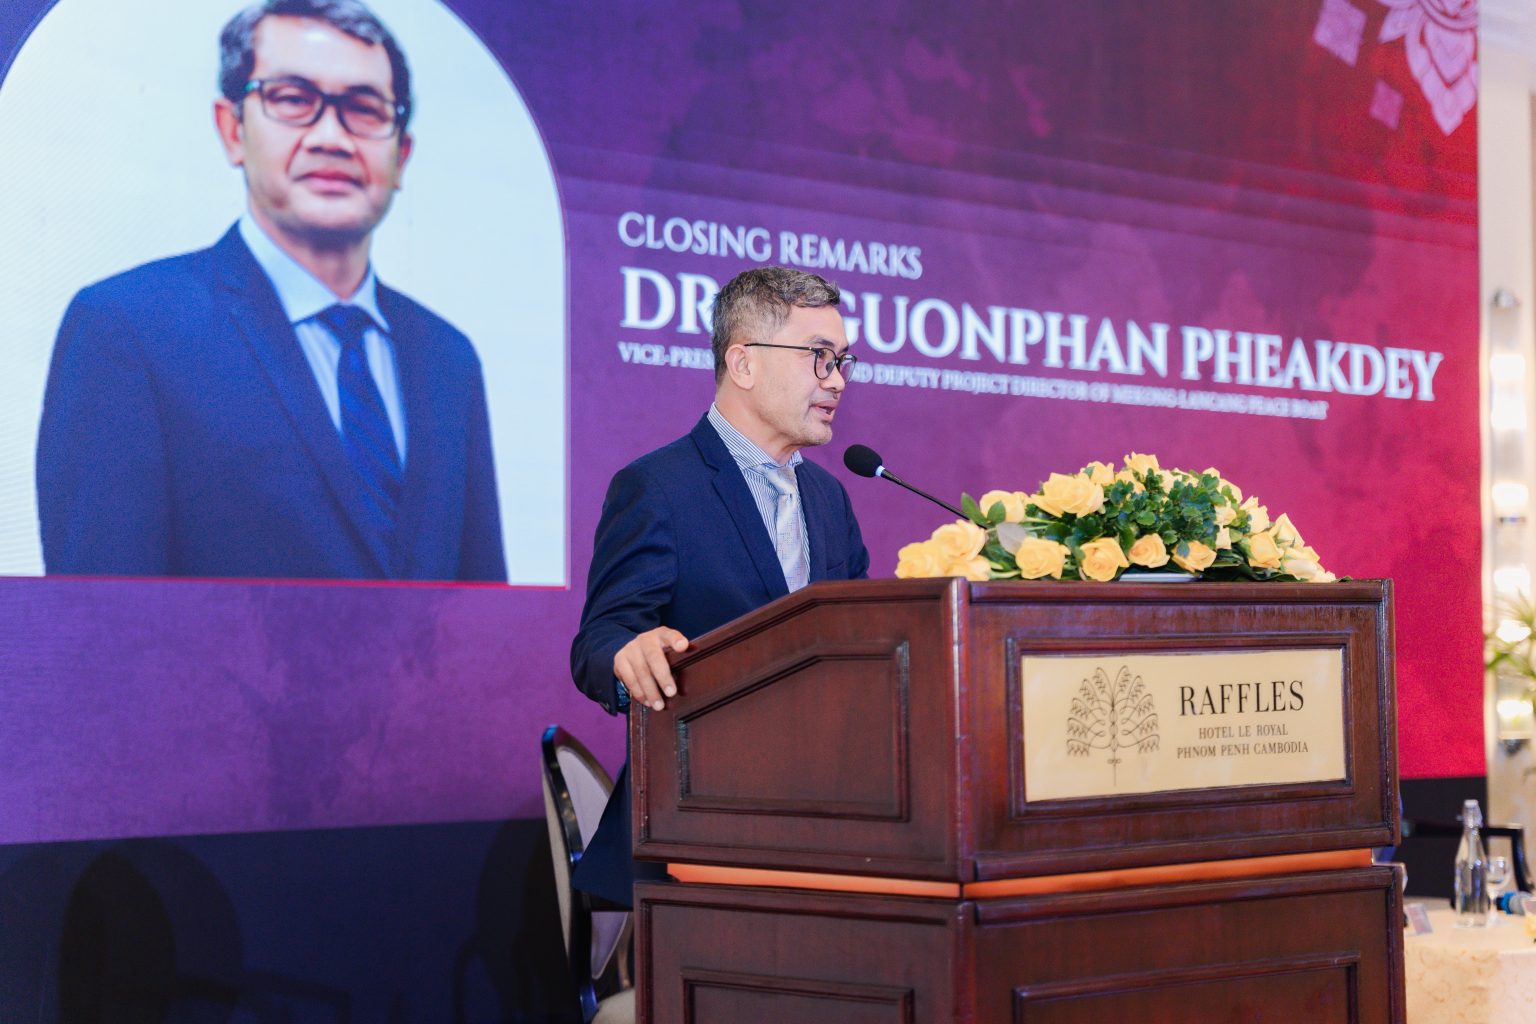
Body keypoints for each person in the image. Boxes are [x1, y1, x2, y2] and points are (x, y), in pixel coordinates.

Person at [35, 0, 504, 581]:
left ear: (401, 154)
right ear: (232, 129)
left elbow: (485, 611)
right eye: (292, 99)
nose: (331, 137)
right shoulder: (125, 330)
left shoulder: (449, 359)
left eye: (364, 109)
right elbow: (98, 616)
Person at [570, 266, 871, 908]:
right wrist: (628, 657)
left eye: (842, 361)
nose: (838, 380)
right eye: (819, 358)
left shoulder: (829, 497)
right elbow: (600, 640)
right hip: (699, 826)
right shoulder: (659, 487)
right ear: (743, 363)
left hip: (828, 824)